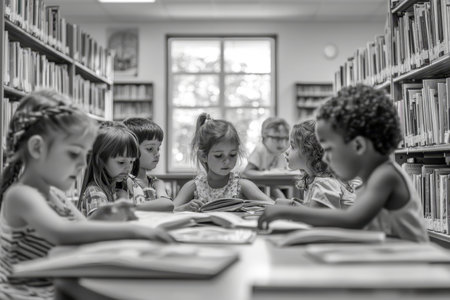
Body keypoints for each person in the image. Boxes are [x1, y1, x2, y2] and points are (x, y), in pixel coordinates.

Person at [0, 91, 172, 300]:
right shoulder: (21, 195)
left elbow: (82, 226)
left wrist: (104, 216)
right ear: (37, 148)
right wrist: (134, 231)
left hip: (55, 288)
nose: (82, 164)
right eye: (74, 154)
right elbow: (62, 233)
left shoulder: (57, 196)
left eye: (85, 155)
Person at [258, 84, 429, 243]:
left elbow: (352, 220)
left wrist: (286, 211)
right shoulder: (370, 179)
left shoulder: (385, 176)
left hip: (412, 266)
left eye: (329, 149)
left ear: (358, 146)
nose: (324, 158)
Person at [174, 113, 274, 212]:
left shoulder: (242, 185)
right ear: (203, 156)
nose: (227, 161)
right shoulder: (193, 187)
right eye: (219, 156)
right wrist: (184, 208)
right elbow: (168, 211)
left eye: (232, 155)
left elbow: (272, 205)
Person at [277, 119, 355, 209]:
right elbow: (314, 209)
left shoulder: (325, 182)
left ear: (311, 152)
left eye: (293, 146)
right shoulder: (313, 178)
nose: (286, 152)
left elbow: (321, 219)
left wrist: (290, 206)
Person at [123, 117, 174, 211]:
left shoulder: (156, 182)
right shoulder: (123, 181)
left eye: (158, 148)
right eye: (150, 149)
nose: (157, 154)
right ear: (132, 149)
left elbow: (168, 205)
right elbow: (166, 204)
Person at [243, 117, 290, 198]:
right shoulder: (260, 149)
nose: (282, 143)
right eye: (277, 138)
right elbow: (246, 172)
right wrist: (264, 174)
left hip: (273, 187)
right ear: (264, 137)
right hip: (257, 189)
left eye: (285, 138)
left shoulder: (281, 151)